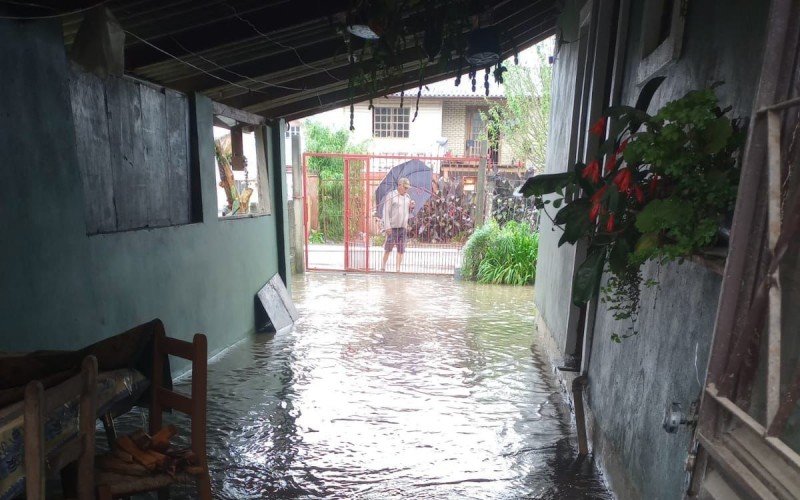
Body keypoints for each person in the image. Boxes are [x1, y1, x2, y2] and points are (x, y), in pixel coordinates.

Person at [381, 177, 415, 272]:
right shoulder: (391, 196)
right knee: (388, 248)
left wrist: (411, 207)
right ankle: (383, 266)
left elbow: (408, 211)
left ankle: (398, 269)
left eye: (407, 188)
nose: (406, 189)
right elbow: (385, 212)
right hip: (392, 228)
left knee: (401, 249)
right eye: (405, 187)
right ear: (399, 186)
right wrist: (387, 226)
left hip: (403, 227)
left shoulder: (407, 197)